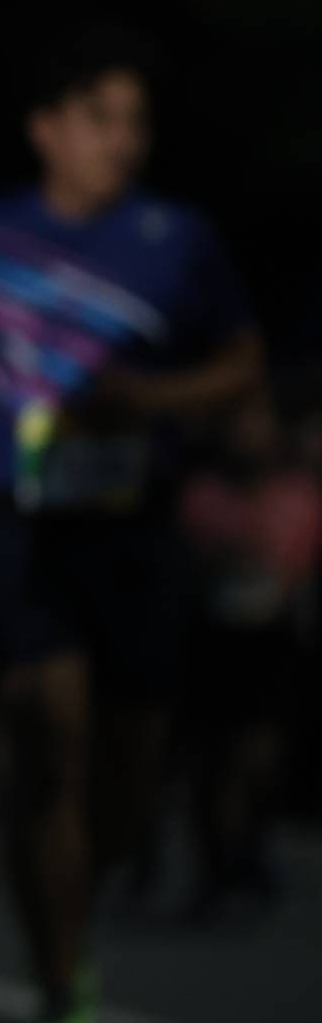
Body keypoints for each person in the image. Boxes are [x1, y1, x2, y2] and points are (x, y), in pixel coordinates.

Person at [0, 26, 263, 1023]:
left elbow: (241, 360)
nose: (123, 140)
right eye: (101, 119)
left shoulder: (177, 238)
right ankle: (61, 981)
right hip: (21, 516)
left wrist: (151, 399)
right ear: (46, 129)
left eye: (135, 121)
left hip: (136, 523)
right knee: (45, 733)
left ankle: (73, 896)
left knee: (129, 774)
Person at [176, 385, 321, 917]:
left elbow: (299, 566)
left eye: (256, 420)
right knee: (211, 757)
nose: (247, 432)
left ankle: (251, 852)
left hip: (271, 637)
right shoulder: (202, 493)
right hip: (214, 638)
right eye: (237, 420)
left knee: (259, 751)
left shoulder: (299, 495)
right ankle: (214, 867)